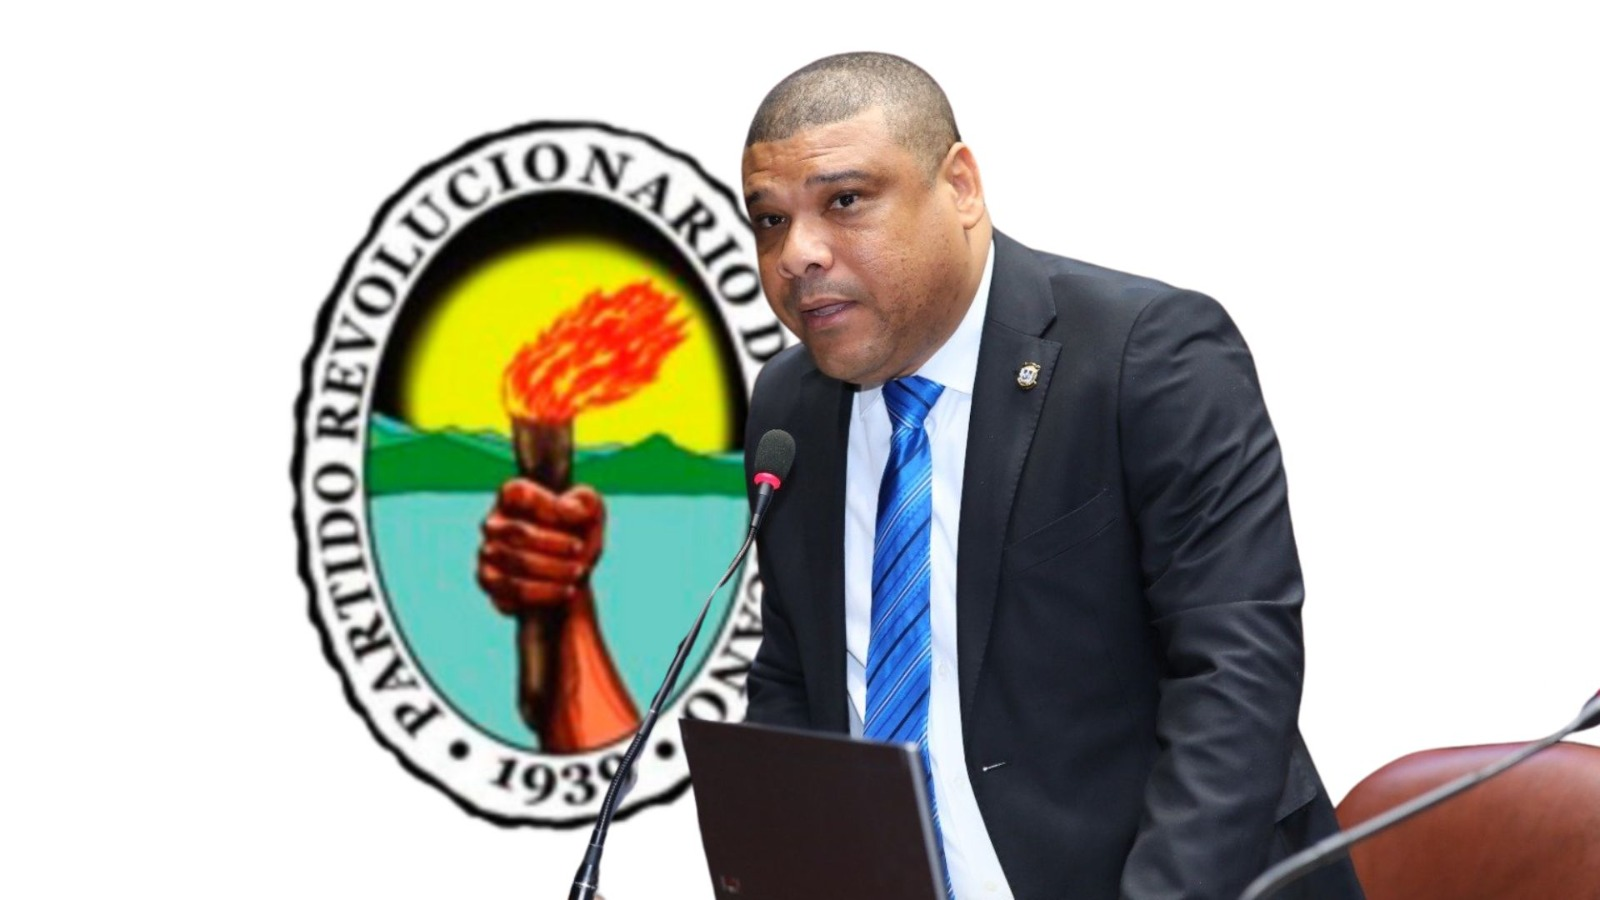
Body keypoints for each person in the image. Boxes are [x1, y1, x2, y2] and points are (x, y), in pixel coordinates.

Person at [737, 52, 1366, 900]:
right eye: (770, 220)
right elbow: (797, 678)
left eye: (845, 201)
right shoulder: (790, 407)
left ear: (961, 186)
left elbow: (1235, 682)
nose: (797, 254)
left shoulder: (1150, 357)